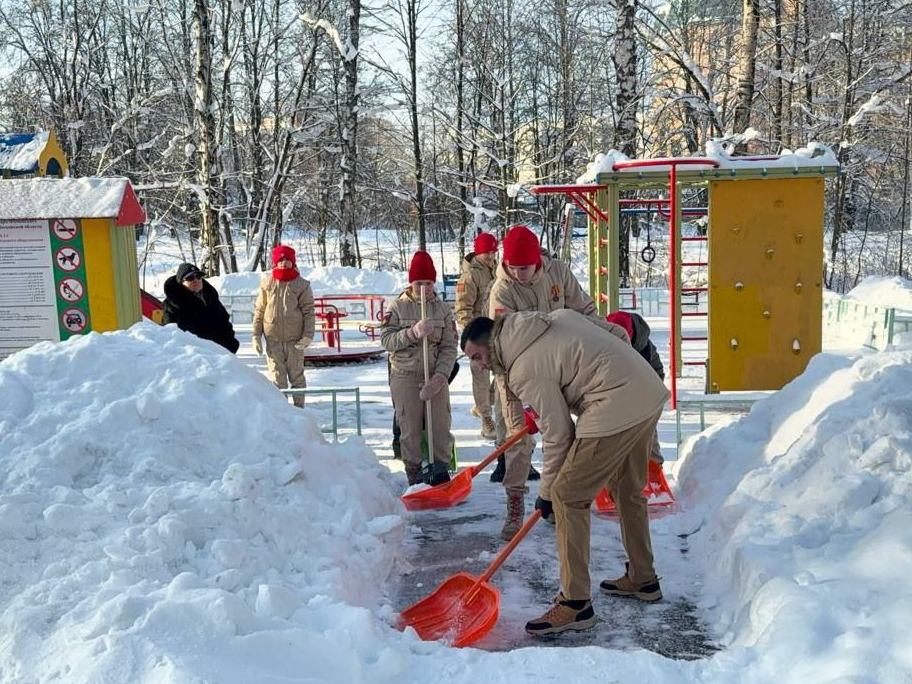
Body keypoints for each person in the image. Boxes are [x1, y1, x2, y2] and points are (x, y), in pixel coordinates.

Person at [462, 311, 669, 637]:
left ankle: (575, 605)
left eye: (477, 356)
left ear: (492, 343)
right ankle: (644, 579)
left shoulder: (521, 369)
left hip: (612, 403)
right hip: (647, 390)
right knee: (627, 488)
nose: (478, 365)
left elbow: (560, 435)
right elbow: (617, 333)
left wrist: (546, 494)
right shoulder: (554, 318)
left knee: (567, 496)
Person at [486, 225, 596, 539]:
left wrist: (604, 337)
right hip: (517, 374)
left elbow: (584, 309)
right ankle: (515, 505)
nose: (519, 274)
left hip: (564, 368)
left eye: (525, 267)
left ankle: (556, 499)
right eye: (513, 267)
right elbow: (500, 345)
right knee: (519, 440)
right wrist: (521, 397)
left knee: (564, 434)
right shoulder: (502, 290)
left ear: (539, 262)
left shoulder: (558, 273)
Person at [381, 251, 458, 486]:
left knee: (439, 425)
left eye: (428, 284)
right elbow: (386, 341)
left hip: (434, 374)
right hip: (405, 374)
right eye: (418, 284)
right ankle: (413, 474)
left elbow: (449, 346)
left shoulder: (443, 310)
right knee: (410, 427)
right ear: (410, 283)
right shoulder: (397, 307)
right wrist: (412, 333)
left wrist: (440, 377)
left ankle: (440, 471)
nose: (423, 289)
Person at [252, 245, 315, 408]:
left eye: (287, 260)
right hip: (273, 341)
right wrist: (256, 335)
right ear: (275, 262)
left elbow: (308, 311)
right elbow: (260, 309)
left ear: (293, 262)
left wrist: (308, 335)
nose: (284, 263)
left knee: (297, 378)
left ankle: (299, 411)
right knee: (277, 380)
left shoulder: (302, 285)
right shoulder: (267, 283)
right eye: (281, 260)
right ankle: (283, 414)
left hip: (295, 341)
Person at [455, 232, 498, 440]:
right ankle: (486, 419)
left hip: (495, 332)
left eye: (493, 252)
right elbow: (463, 307)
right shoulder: (471, 275)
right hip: (477, 335)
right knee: (480, 376)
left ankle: (483, 404)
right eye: (487, 253)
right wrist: (470, 333)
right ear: (478, 252)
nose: (491, 256)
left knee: (500, 374)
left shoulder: (497, 269)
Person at [607, 310, 666, 464]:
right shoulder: (602, 340)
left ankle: (653, 466)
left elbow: (656, 377)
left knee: (646, 428)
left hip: (645, 388)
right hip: (612, 392)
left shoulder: (644, 348)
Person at [162, 262, 239, 353]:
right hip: (195, 359)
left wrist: (231, 345)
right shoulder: (173, 306)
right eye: (190, 278)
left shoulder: (212, 299)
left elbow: (225, 323)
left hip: (221, 357)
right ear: (181, 283)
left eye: (198, 276)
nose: (196, 280)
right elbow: (173, 336)